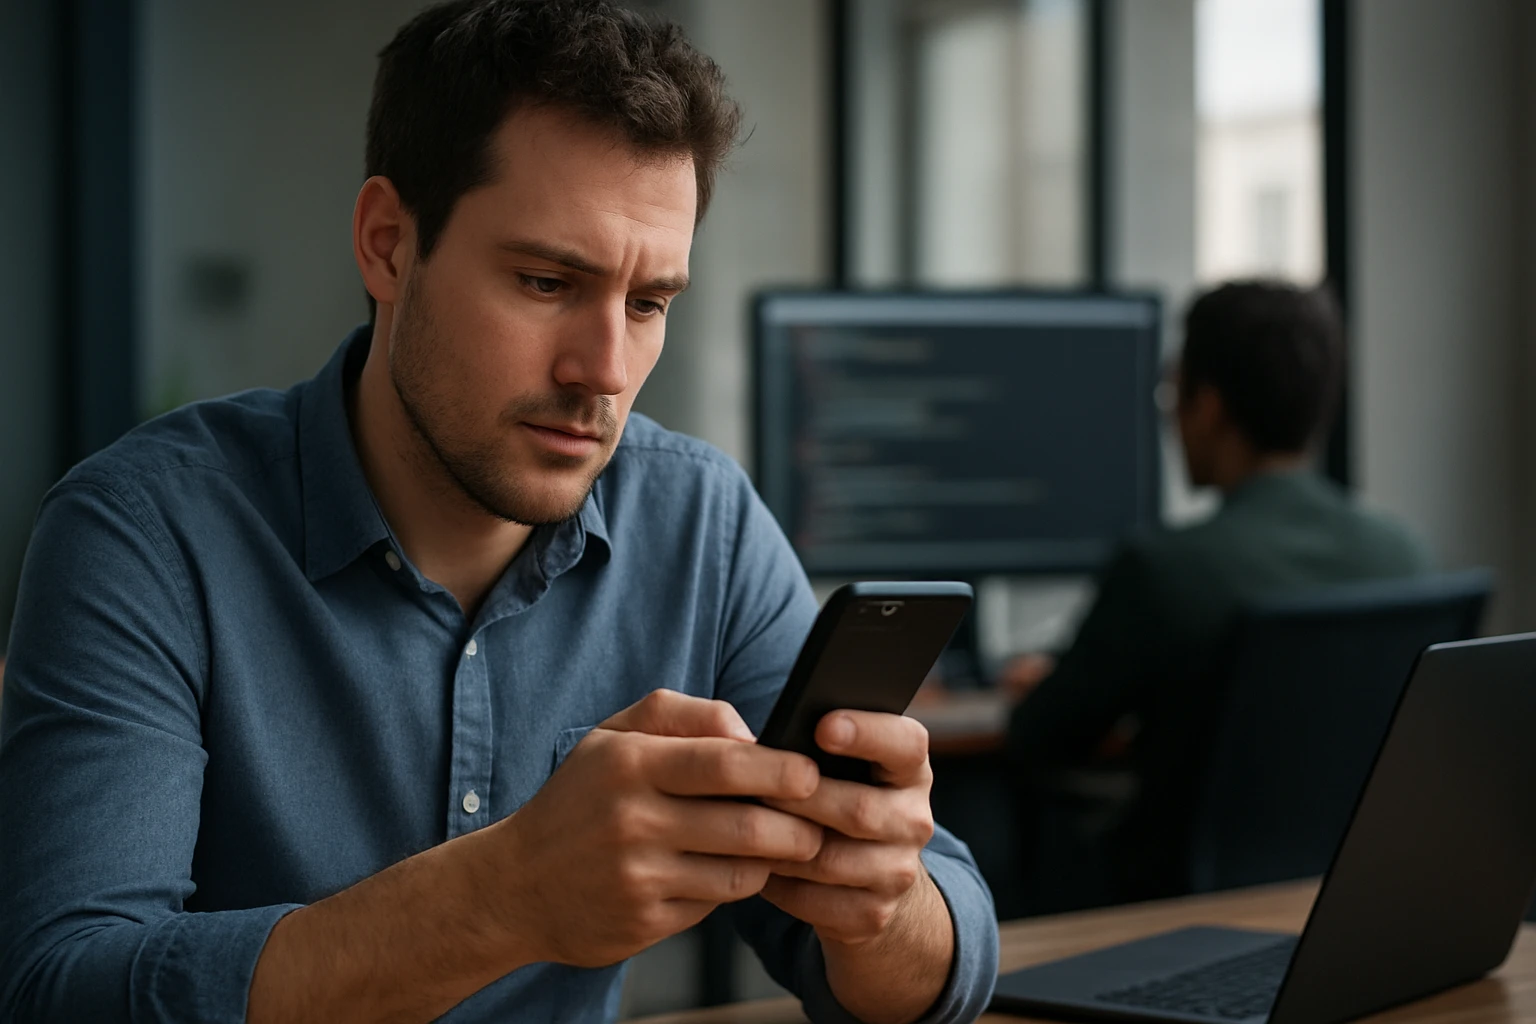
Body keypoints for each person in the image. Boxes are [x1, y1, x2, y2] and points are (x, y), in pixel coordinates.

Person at [0, 3, 997, 1022]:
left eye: (649, 302)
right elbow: (62, 988)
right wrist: (505, 895)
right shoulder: (142, 532)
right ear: (388, 244)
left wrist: (879, 901)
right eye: (545, 280)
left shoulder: (703, 524)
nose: (604, 371)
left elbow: (941, 963)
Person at [1003, 280, 1428, 907]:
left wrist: (1040, 685)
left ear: (1206, 404)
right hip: (1359, 905)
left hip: (1179, 918)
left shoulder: (1165, 569)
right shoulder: (1404, 556)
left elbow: (1041, 737)